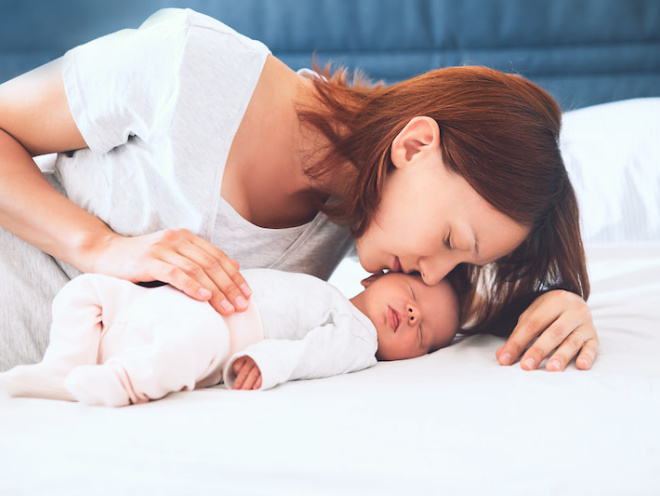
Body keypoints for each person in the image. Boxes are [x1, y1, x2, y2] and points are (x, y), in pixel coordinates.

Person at [0, 8, 597, 374]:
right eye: (448, 240)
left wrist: (561, 301)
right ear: (414, 145)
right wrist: (100, 247)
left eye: (462, 260)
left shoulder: (354, 223)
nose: (435, 274)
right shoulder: (191, 64)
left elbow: (456, 305)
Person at [0, 269, 459, 406]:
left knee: (192, 339)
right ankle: (63, 366)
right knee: (88, 290)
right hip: (171, 304)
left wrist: (265, 362)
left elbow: (309, 355)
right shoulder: (328, 290)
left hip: (219, 332)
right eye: (413, 293)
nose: (414, 314)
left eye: (427, 336)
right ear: (373, 277)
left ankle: (123, 383)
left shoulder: (358, 340)